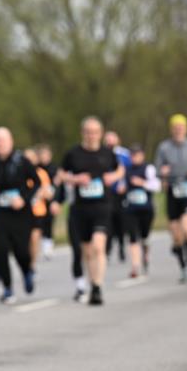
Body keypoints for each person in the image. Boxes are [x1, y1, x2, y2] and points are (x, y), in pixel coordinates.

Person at [57, 116, 124, 305]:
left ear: (100, 133)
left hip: (102, 206)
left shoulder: (107, 153)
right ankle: (93, 282)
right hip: (81, 208)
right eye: (88, 132)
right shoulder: (73, 154)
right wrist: (76, 180)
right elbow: (61, 174)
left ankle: (97, 287)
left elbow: (120, 170)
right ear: (82, 133)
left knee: (98, 246)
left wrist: (113, 177)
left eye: (95, 132)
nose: (91, 135)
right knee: (87, 252)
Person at [0, 128, 39, 304]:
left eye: (2, 141)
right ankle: (8, 288)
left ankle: (27, 271)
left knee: (21, 251)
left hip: (20, 213)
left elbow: (36, 183)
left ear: (11, 142)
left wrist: (24, 199)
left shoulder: (22, 161)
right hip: (0, 212)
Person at [154, 114, 187, 283]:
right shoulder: (163, 147)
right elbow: (156, 168)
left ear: (186, 128)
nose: (178, 130)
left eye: (181, 127)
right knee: (176, 236)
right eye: (175, 127)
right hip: (172, 191)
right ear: (171, 129)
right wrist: (161, 172)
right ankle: (183, 267)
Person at [122, 145, 161, 278]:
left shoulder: (148, 168)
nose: (134, 158)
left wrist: (142, 183)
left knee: (144, 237)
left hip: (146, 209)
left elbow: (157, 186)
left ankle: (145, 255)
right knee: (132, 237)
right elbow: (122, 185)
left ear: (142, 156)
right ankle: (135, 266)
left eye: (137, 155)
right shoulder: (126, 169)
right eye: (132, 155)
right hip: (131, 209)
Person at [103, 131, 131, 263]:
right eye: (107, 139)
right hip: (106, 193)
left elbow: (129, 171)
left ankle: (121, 247)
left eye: (112, 139)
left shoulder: (124, 154)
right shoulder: (102, 153)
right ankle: (107, 250)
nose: (110, 141)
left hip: (121, 193)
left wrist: (125, 185)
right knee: (107, 222)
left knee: (121, 221)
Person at [24, 148, 53, 272]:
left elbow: (49, 192)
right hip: (23, 212)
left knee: (35, 236)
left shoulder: (41, 173)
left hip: (38, 211)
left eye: (31, 159)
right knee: (25, 240)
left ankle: (32, 263)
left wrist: (40, 193)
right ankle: (26, 260)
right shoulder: (19, 173)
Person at [36, 144, 58, 258]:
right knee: (40, 222)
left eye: (46, 155)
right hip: (39, 200)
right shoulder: (36, 168)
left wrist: (56, 201)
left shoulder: (54, 169)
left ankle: (48, 243)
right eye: (42, 155)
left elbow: (58, 186)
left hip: (51, 199)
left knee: (49, 221)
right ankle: (42, 242)